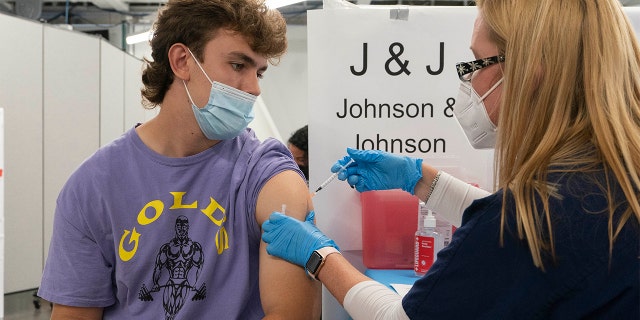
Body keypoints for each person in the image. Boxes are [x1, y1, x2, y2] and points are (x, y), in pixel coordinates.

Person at [261, 0, 640, 319]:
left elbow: (404, 318)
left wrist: (319, 256)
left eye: (476, 62)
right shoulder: (611, 179)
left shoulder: (537, 218)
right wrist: (418, 179)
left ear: (530, 69)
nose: (468, 81)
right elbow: (526, 230)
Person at [37, 0, 321, 319]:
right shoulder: (93, 185)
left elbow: (290, 314)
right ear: (182, 61)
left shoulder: (265, 171)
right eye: (239, 65)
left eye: (260, 72)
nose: (254, 88)